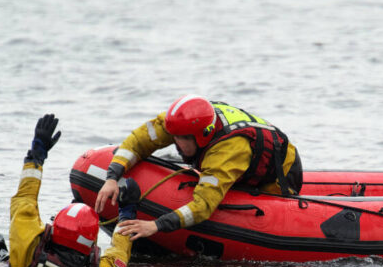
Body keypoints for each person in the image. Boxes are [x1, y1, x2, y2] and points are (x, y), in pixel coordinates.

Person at [0, 114, 140, 267]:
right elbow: (118, 253)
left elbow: (24, 200)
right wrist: (128, 213)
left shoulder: (29, 247)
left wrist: (36, 157)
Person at [94, 95, 302, 241]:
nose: (176, 143)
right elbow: (139, 141)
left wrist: (155, 225)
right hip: (238, 160)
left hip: (279, 175)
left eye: (182, 139)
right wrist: (113, 176)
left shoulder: (225, 152)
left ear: (201, 135)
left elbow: (203, 206)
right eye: (173, 136)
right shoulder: (181, 122)